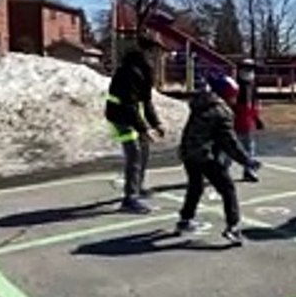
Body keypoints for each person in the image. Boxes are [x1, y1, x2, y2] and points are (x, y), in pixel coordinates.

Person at [176, 72, 260, 245]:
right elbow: (230, 143)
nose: (235, 99)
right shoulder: (222, 112)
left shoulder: (201, 102)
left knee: (195, 186)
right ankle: (233, 227)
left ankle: (185, 219)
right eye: (233, 95)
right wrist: (247, 161)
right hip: (204, 154)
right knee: (227, 188)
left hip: (187, 151)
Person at [105, 38, 165, 214]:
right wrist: (144, 129)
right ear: (148, 52)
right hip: (119, 116)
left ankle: (137, 187)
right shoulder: (130, 71)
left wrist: (156, 123)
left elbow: (146, 101)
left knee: (144, 148)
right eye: (156, 53)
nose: (158, 57)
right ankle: (130, 199)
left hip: (130, 114)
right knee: (134, 152)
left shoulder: (145, 71)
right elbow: (128, 104)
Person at [231, 58, 264, 182]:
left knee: (249, 147)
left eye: (250, 69)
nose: (249, 71)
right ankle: (221, 172)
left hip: (248, 120)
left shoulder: (252, 85)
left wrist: (256, 118)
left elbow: (254, 104)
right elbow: (230, 103)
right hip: (235, 120)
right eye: (246, 69)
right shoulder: (235, 85)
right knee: (229, 146)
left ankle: (249, 171)